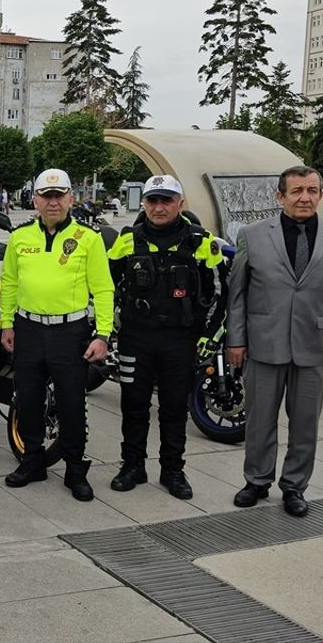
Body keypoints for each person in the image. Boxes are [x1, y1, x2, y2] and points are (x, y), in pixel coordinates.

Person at [226, 166, 323, 518]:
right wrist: (235, 341)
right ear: (280, 196)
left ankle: (294, 486)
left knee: (304, 424)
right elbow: (236, 295)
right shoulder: (252, 236)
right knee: (258, 420)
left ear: (320, 195)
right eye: (297, 190)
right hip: (263, 343)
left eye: (312, 190)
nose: (305, 197)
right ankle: (256, 480)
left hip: (314, 345)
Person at [106, 176, 225, 500]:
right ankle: (132, 466)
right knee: (133, 405)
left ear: (180, 203)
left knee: (174, 408)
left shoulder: (201, 242)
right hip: (135, 338)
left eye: (167, 200)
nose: (159, 207)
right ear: (143, 203)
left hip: (180, 341)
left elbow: (221, 292)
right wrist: (110, 329)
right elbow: (106, 286)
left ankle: (173, 470)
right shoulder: (128, 239)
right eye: (153, 201)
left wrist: (207, 337)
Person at [0, 168, 114, 502]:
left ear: (70, 199)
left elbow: (104, 290)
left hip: (70, 332)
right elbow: (9, 284)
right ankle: (33, 461)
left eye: (59, 195)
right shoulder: (20, 238)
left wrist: (102, 334)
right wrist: (7, 323)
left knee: (71, 404)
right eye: (46, 196)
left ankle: (75, 470)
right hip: (28, 329)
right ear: (35, 199)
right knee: (29, 400)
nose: (52, 202)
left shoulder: (87, 238)